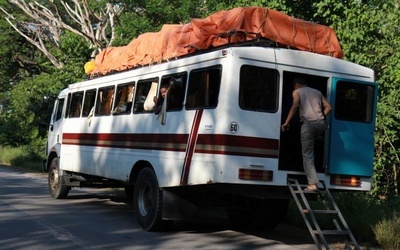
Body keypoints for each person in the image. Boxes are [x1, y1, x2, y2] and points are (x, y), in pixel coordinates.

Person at [281, 77, 332, 191]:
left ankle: (313, 183)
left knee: (307, 155)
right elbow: (329, 107)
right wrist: (320, 117)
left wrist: (286, 122)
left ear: (296, 85)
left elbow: (294, 107)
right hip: (321, 124)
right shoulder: (317, 92)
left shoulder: (297, 92)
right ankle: (317, 140)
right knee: (313, 142)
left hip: (309, 125)